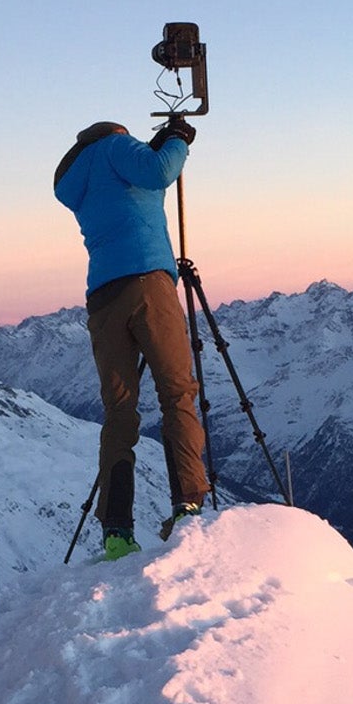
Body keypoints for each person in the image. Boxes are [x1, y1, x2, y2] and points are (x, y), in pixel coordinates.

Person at [54, 117, 210, 560]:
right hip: (147, 283)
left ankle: (117, 530)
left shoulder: (77, 178)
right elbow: (160, 172)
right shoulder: (115, 147)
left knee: (120, 413)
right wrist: (177, 139)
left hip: (103, 297)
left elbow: (136, 189)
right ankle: (188, 505)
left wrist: (157, 146)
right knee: (177, 392)